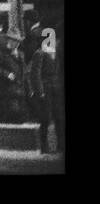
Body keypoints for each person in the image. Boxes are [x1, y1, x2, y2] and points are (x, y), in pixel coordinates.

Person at [0, 13, 27, 124]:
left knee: (19, 116)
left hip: (19, 90)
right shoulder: (1, 53)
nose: (16, 44)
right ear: (9, 40)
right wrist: (6, 74)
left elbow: (23, 70)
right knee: (10, 115)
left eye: (17, 41)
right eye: (14, 41)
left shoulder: (20, 54)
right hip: (6, 90)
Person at [26, 19, 62, 153]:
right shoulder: (39, 54)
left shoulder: (55, 54)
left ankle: (60, 145)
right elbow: (35, 74)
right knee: (45, 118)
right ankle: (44, 145)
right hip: (46, 89)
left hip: (56, 88)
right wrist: (39, 91)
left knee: (59, 117)